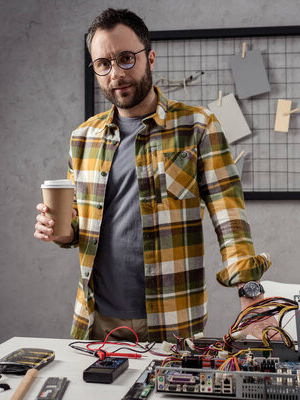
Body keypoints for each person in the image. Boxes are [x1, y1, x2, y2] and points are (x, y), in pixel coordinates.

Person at [35, 8, 275, 342]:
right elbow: (79, 227)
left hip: (172, 321)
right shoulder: (83, 137)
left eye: (125, 58)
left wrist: (251, 297)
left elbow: (229, 214)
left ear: (150, 57)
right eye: (103, 64)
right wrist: (60, 231)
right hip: (96, 320)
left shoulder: (197, 126)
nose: (116, 73)